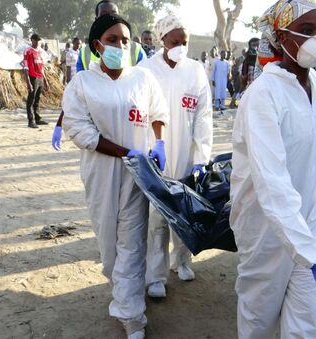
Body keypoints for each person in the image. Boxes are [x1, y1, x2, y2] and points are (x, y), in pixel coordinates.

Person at [230, 1, 316, 338]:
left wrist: (313, 246)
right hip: (264, 231)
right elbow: (272, 183)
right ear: (280, 37)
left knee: (307, 325)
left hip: (308, 223)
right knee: (258, 321)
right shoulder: (262, 96)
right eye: (308, 30)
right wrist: (315, 256)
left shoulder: (315, 82)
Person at [62, 13, 168, 339]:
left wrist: (159, 141)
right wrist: (125, 152)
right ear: (97, 45)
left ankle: (132, 315)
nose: (120, 46)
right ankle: (122, 291)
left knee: (133, 243)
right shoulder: (82, 84)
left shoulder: (142, 79)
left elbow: (158, 112)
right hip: (101, 174)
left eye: (124, 40)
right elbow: (79, 130)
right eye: (112, 40)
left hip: (137, 177)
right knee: (110, 249)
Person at [140, 15, 213, 299]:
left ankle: (181, 261)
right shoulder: (146, 70)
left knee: (184, 215)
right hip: (156, 156)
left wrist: (201, 155)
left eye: (185, 42)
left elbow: (203, 116)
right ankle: (156, 276)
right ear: (162, 41)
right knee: (157, 219)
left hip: (185, 156)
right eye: (175, 42)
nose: (181, 47)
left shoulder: (195, 71)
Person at [52, 0, 145, 151]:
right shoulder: (86, 52)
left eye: (113, 14)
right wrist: (59, 123)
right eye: (104, 15)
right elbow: (76, 93)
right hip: (100, 128)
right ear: (96, 19)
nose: (119, 45)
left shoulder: (135, 50)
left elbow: (148, 90)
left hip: (130, 123)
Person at [23, 33, 50, 128]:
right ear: (32, 40)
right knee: (31, 99)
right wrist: (28, 82)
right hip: (33, 77)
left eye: (39, 40)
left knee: (37, 99)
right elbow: (25, 68)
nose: (38, 42)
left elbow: (41, 67)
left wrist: (45, 80)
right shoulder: (28, 51)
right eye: (36, 40)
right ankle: (31, 121)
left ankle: (38, 118)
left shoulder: (40, 51)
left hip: (40, 78)